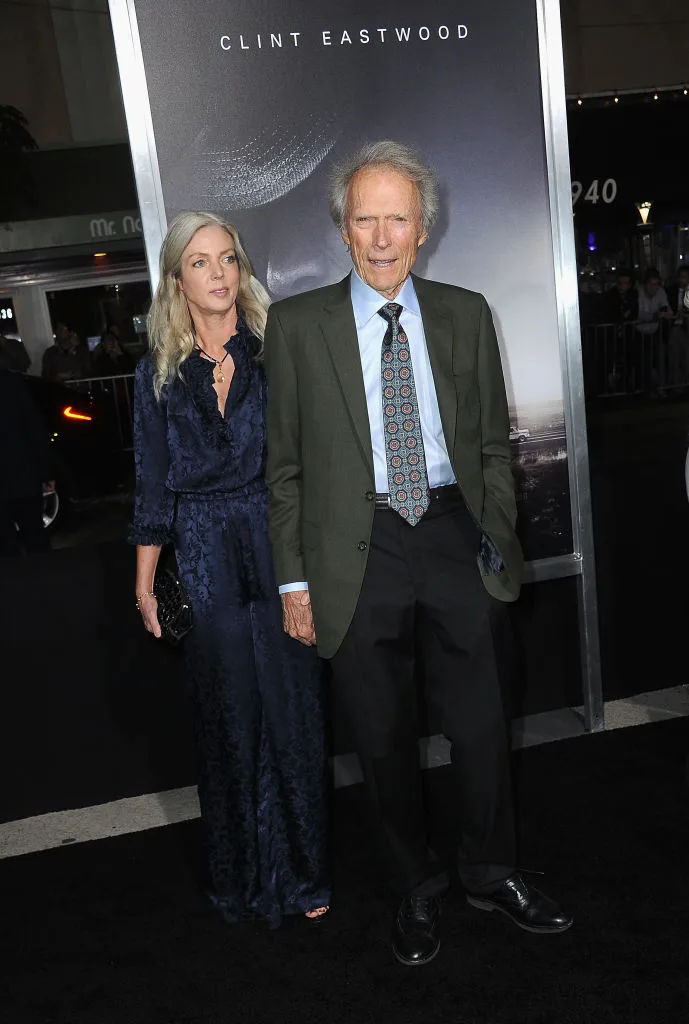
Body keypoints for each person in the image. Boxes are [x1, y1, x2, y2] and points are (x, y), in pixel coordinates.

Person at [264, 140, 571, 967]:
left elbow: (491, 447)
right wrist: (294, 580)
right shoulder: (295, 328)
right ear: (342, 230)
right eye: (363, 218)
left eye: (396, 217)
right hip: (353, 549)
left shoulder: (466, 312)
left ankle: (489, 870)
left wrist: (493, 528)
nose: (380, 235)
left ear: (423, 227)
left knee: (479, 724)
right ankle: (416, 887)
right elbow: (283, 469)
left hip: (450, 532)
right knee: (381, 733)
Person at [130, 211, 330, 928]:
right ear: (176, 280)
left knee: (294, 715)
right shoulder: (154, 377)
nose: (218, 275)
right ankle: (241, 880)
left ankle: (306, 876)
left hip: (277, 544)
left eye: (228, 260)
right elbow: (152, 485)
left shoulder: (279, 354)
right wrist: (145, 583)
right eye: (201, 263)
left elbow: (308, 465)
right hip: (204, 553)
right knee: (227, 723)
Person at [0, 370, 53, 556]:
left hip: (20, 473)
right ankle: (43, 579)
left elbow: (33, 427)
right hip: (22, 472)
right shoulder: (12, 382)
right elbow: (34, 428)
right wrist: (45, 471)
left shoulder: (12, 382)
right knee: (34, 536)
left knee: (9, 545)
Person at [636, 268, 672, 396]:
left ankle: (660, 387)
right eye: (651, 284)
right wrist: (654, 315)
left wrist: (665, 314)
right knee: (643, 361)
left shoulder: (661, 292)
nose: (654, 287)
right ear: (645, 284)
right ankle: (644, 390)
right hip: (639, 331)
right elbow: (638, 314)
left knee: (660, 358)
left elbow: (668, 310)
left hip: (656, 330)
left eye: (656, 284)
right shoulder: (638, 293)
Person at [666, 265, 689, 387]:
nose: (682, 280)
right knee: (674, 358)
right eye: (680, 277)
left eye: (684, 277)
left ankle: (685, 385)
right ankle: (676, 386)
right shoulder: (671, 290)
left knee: (686, 358)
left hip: (686, 327)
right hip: (674, 327)